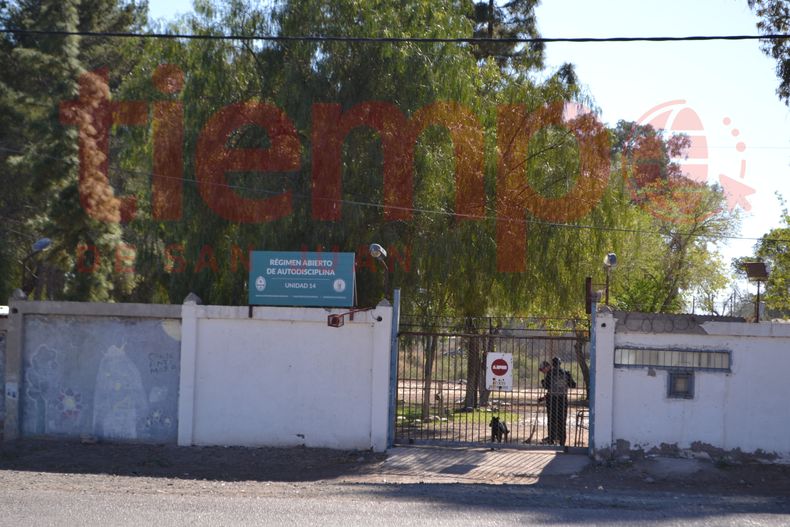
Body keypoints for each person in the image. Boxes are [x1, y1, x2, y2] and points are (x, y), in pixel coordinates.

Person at [539, 357, 576, 451]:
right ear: (560, 363)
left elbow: (546, 386)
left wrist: (543, 382)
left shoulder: (550, 373)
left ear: (553, 364)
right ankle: (562, 442)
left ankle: (551, 440)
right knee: (562, 421)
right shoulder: (566, 373)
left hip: (552, 399)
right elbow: (573, 385)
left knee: (551, 419)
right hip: (563, 399)